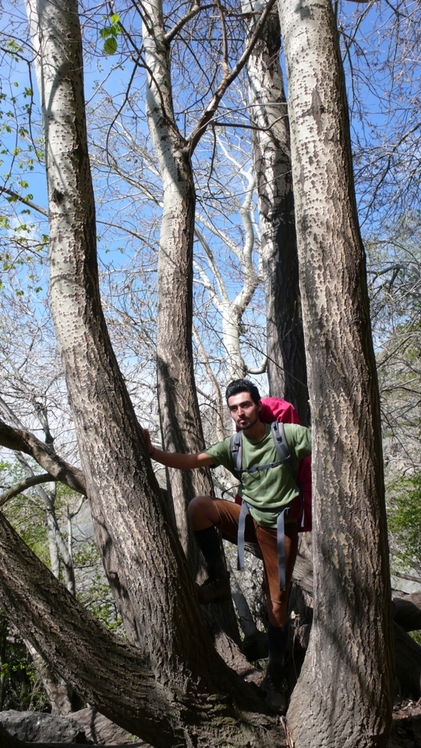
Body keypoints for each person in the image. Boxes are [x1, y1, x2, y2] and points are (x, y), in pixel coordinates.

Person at [143, 379, 311, 711]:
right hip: (248, 519)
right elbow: (192, 460)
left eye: (245, 405)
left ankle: (275, 674)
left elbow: (330, 447)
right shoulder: (233, 446)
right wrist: (151, 453)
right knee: (199, 508)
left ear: (259, 405)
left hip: (281, 531)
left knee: (276, 605)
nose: (240, 413)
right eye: (233, 408)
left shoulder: (287, 436)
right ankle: (219, 579)